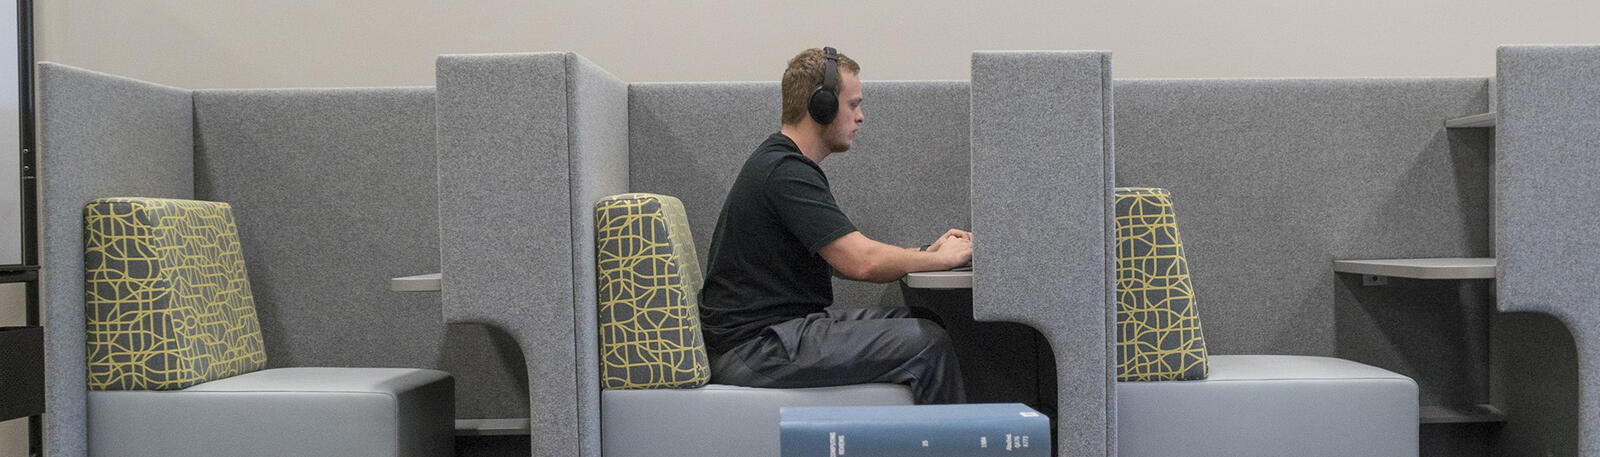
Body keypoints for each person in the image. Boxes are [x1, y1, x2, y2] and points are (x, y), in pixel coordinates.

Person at [697, 47, 971, 404]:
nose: (860, 117)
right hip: (754, 348)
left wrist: (922, 253)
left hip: (774, 334)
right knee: (927, 344)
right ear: (821, 107)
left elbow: (840, 253)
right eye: (853, 104)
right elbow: (860, 262)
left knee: (921, 319)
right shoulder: (785, 172)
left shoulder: (784, 164)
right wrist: (940, 260)